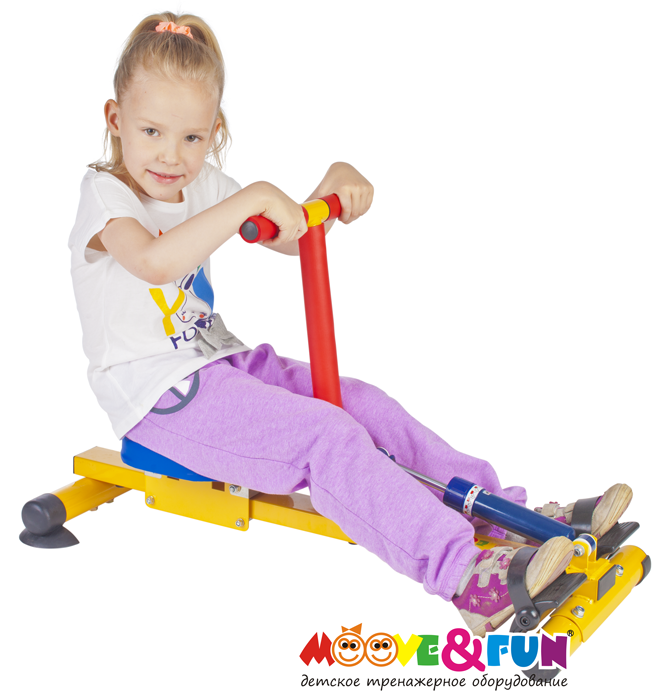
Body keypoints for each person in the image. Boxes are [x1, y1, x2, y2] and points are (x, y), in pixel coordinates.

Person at [68, 12, 632, 637]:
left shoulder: (201, 182)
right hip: (157, 399)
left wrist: (326, 192)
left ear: (215, 132)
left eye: (192, 137)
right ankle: (465, 576)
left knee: (361, 403)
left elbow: (288, 235)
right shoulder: (106, 196)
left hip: (221, 362)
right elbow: (153, 262)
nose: (171, 156)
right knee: (325, 436)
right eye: (151, 131)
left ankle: (506, 518)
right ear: (115, 119)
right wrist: (253, 195)